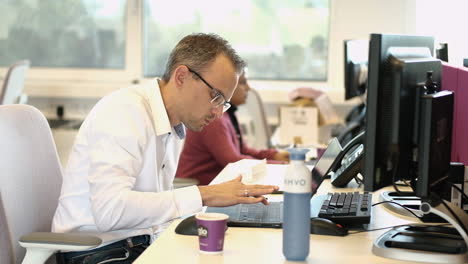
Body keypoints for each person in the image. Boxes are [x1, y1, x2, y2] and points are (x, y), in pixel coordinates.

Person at [52, 33, 279, 264]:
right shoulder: (125, 111)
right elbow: (110, 211)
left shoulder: (174, 122)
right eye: (216, 97)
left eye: (224, 103)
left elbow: (152, 205)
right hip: (99, 253)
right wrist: (205, 194)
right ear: (181, 76)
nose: (219, 113)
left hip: (140, 243)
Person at [176, 69, 289, 185]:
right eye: (243, 83)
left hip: (214, 184)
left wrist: (275, 156)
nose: (248, 88)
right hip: (198, 187)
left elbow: (242, 150)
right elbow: (233, 161)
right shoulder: (214, 119)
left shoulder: (228, 115)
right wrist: (276, 165)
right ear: (229, 87)